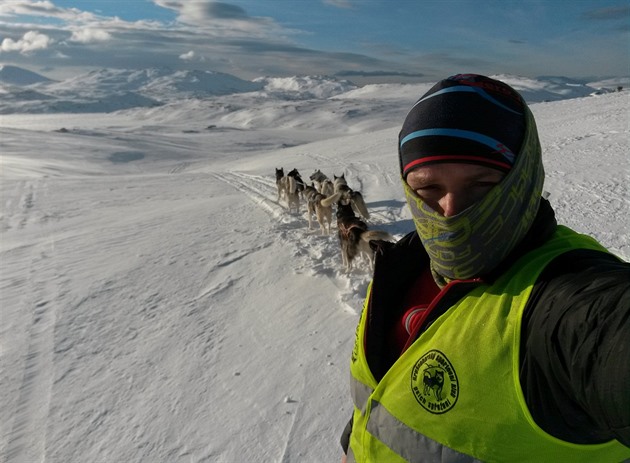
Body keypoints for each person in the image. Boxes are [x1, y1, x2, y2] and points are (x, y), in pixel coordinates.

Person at [340, 74, 630, 462]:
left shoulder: (563, 302)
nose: (451, 212)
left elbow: (605, 335)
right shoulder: (400, 264)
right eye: (428, 189)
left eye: (483, 185)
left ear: (524, 179)